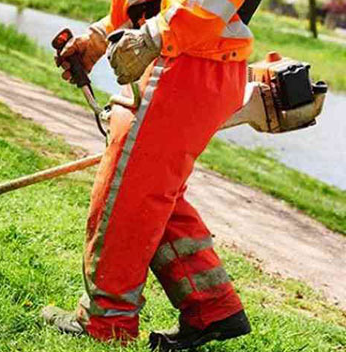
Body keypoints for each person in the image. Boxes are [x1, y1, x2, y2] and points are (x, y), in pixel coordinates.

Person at [44, 0, 255, 350]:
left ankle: (106, 321)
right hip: (191, 60)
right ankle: (211, 305)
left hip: (186, 62)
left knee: (127, 192)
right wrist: (99, 36)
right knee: (151, 190)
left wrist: (151, 37)